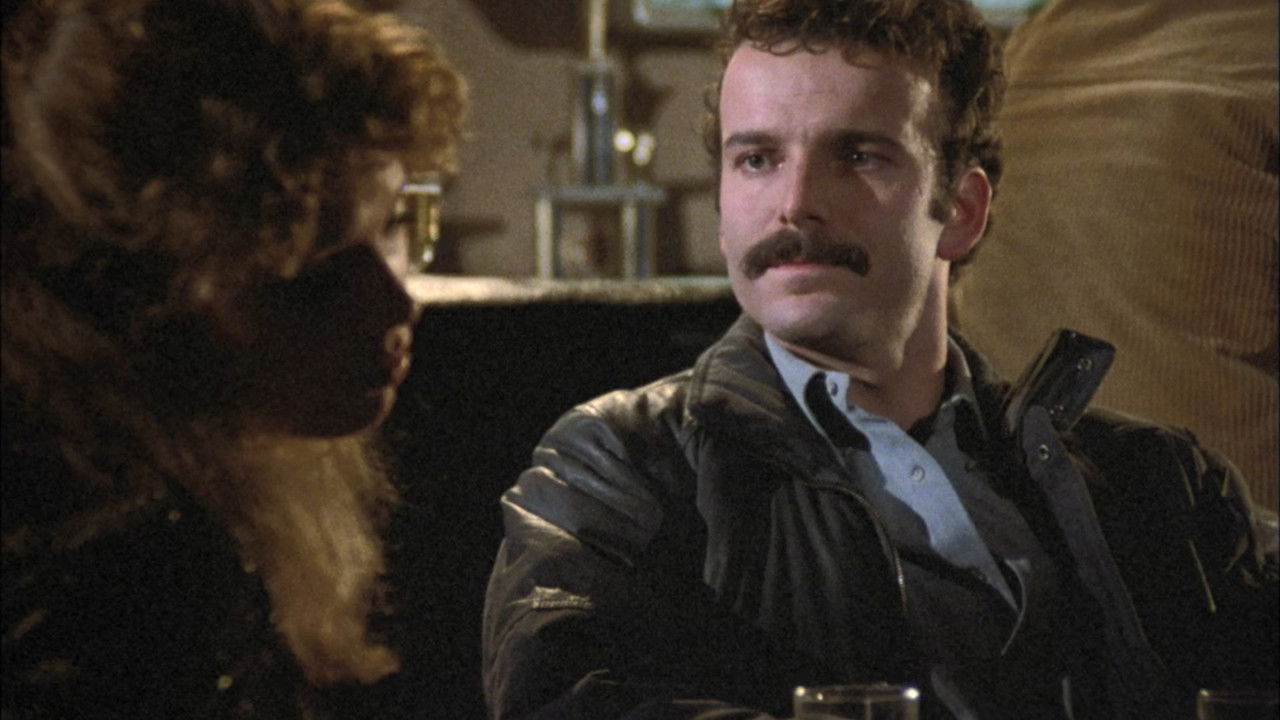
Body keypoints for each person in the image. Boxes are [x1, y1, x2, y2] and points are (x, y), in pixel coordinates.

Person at [480, 1, 1278, 718]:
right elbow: (569, 695)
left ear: (960, 211)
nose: (796, 203)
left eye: (857, 156)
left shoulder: (1163, 487)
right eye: (756, 159)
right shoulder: (618, 468)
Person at [1, 0, 464, 716]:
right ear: (147, 296)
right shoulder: (120, 575)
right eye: (315, 278)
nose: (397, 302)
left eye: (398, 225)